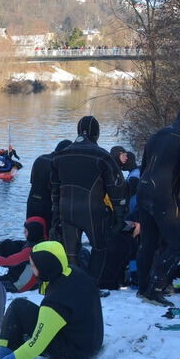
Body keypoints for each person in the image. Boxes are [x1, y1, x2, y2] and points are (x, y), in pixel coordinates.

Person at [0, 241, 104, 359]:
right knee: (18, 307)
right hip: (91, 340)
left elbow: (36, 345)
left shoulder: (55, 301)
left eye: (33, 266)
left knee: (21, 327)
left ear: (45, 267)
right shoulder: (72, 272)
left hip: (76, 353)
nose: (31, 270)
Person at [136, 104, 180, 305]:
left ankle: (142, 288)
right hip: (163, 197)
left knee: (148, 242)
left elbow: (144, 166)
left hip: (143, 192)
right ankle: (155, 288)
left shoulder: (157, 135)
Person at [50, 116, 127, 285]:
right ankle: (91, 286)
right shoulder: (102, 156)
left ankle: (72, 285)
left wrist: (55, 216)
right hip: (92, 210)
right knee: (100, 248)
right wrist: (119, 216)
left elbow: (55, 190)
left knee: (71, 251)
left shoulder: (59, 155)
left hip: (66, 209)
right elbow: (117, 188)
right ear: (97, 134)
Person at [0, 216, 48, 293]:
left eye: (26, 231)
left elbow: (7, 262)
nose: (23, 232)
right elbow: (17, 245)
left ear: (33, 232)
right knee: (5, 244)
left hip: (20, 285)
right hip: (15, 278)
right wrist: (0, 245)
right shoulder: (39, 241)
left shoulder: (32, 250)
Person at [27, 140, 72, 230]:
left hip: (32, 201)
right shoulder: (58, 163)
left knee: (31, 233)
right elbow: (58, 188)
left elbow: (32, 181)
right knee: (48, 234)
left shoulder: (40, 159)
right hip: (47, 203)